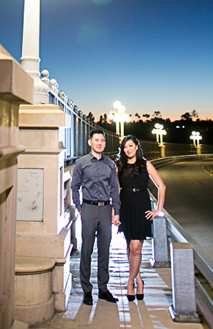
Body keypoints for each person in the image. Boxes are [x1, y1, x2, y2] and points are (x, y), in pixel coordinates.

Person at [71, 129, 121, 305]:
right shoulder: (81, 163)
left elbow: (115, 189)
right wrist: (79, 207)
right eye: (96, 140)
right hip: (89, 209)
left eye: (102, 140)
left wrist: (117, 211)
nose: (99, 143)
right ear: (90, 142)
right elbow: (74, 186)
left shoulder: (109, 164)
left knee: (104, 249)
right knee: (87, 250)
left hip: (106, 209)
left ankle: (103, 288)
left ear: (105, 143)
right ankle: (87, 290)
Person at [116, 135, 167, 301]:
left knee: (136, 246)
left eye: (131, 146)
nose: (128, 149)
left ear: (137, 147)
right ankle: (138, 279)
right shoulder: (120, 166)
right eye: (125, 147)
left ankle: (130, 282)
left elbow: (162, 186)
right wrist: (115, 212)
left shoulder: (146, 164)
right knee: (129, 246)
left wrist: (158, 209)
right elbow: (116, 191)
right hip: (125, 205)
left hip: (141, 205)